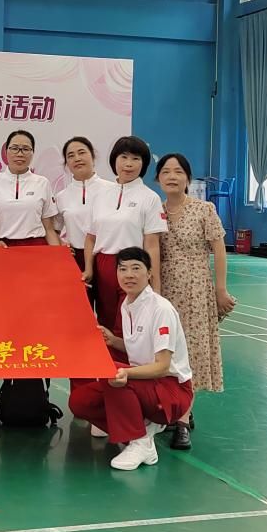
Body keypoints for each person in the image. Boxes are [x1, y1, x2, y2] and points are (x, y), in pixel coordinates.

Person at [68, 246, 193, 471]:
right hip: (145, 383)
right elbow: (140, 347)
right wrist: (113, 340)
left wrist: (125, 372)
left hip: (171, 389)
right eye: (123, 269)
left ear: (149, 273)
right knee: (80, 402)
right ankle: (137, 427)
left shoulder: (161, 309)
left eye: (136, 268)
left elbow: (163, 366)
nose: (129, 275)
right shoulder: (127, 305)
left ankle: (141, 443)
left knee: (114, 372)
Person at [156, 153, 236, 450]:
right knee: (167, 351)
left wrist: (220, 290)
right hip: (165, 290)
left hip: (196, 290)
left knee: (192, 352)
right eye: (166, 171)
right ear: (158, 179)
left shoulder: (204, 209)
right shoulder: (155, 210)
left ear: (188, 178)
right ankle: (177, 409)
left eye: (178, 171)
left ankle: (181, 421)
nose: (172, 176)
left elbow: (219, 250)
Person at [83, 135, 167, 337]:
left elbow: (152, 245)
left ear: (144, 164)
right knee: (104, 324)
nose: (129, 164)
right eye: (124, 157)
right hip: (102, 267)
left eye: (136, 159)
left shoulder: (150, 198)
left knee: (128, 326)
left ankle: (127, 359)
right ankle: (108, 359)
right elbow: (91, 238)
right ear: (114, 160)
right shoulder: (100, 195)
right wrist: (89, 269)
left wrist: (155, 286)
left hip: (133, 267)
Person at [0, 130, 60, 249]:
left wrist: (58, 254)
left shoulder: (42, 183)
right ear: (6, 152)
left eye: (25, 149)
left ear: (33, 153)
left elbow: (49, 229)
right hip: (1, 247)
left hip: (35, 247)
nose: (20, 154)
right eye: (14, 148)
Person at [54, 136, 112, 276]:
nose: (77, 158)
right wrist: (61, 244)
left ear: (93, 156)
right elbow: (54, 230)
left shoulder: (112, 190)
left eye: (81, 152)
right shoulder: (61, 196)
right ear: (66, 163)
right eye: (71, 156)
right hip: (75, 259)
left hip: (105, 256)